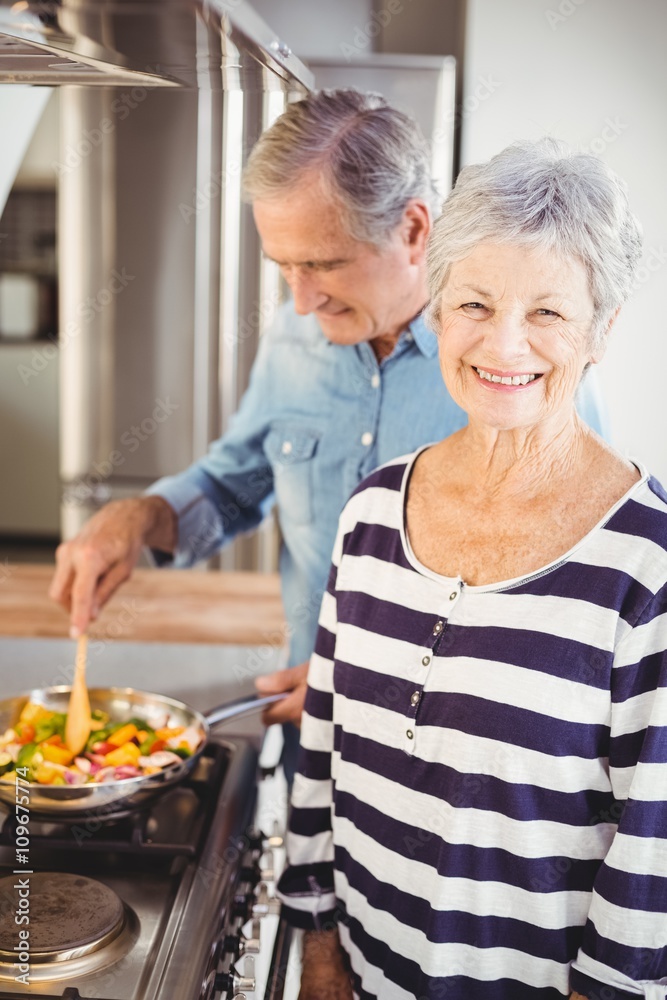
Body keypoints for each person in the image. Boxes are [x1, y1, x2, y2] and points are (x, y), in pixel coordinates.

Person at [48, 92, 607, 743]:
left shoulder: (513, 369)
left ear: (414, 230)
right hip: (305, 747)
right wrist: (140, 517)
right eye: (284, 266)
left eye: (322, 264)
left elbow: (561, 617)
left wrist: (363, 679)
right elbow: (239, 482)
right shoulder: (296, 333)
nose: (302, 298)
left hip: (444, 764)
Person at [278, 139, 667, 1000]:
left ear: (600, 330)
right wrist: (316, 943)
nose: (503, 343)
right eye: (476, 303)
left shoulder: (645, 566)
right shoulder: (374, 510)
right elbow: (322, 742)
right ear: (438, 309)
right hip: (364, 973)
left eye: (547, 314)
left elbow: (653, 854)